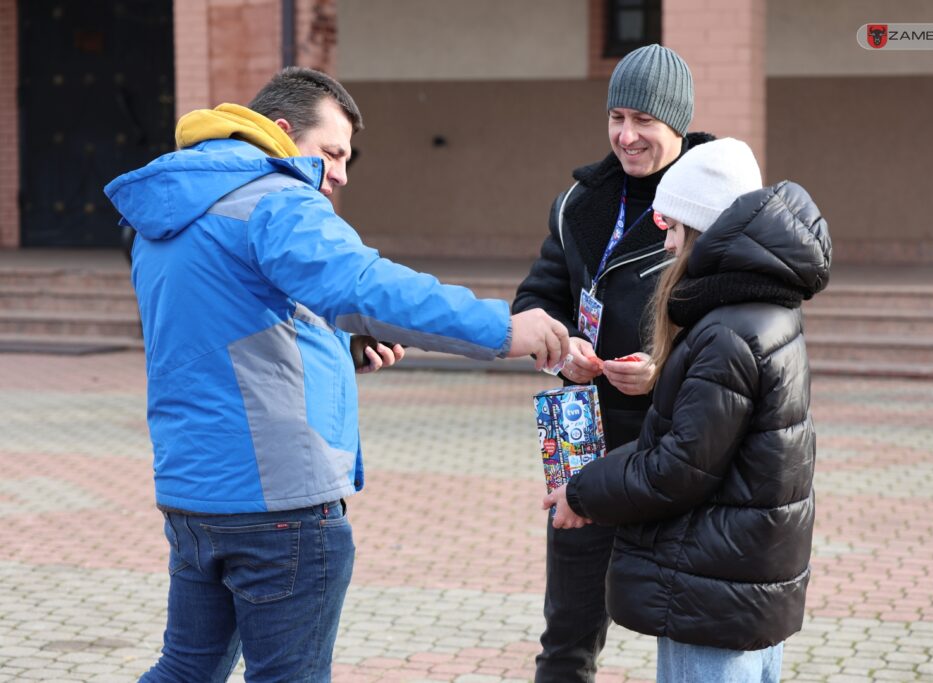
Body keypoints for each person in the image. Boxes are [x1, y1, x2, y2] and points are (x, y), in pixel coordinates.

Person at [103, 66, 569, 682]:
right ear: (280, 130)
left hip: (194, 494)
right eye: (332, 152)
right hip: (279, 505)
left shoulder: (170, 209)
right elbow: (366, 285)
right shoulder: (275, 197)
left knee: (185, 671)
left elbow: (227, 320)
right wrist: (506, 329)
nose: (341, 173)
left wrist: (338, 344)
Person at [543, 137, 831, 682]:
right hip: (743, 581)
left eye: (673, 229)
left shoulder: (724, 332)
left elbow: (679, 466)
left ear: (704, 231)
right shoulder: (763, 310)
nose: (668, 245)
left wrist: (582, 491)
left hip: (713, 590)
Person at [512, 44, 714, 682]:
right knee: (568, 634)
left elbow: (731, 329)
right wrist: (558, 346)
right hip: (581, 434)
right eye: (616, 117)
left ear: (677, 124)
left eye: (645, 122)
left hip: (672, 443)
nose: (627, 136)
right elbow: (538, 296)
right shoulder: (580, 201)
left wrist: (664, 369)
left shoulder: (712, 202)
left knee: (691, 626)